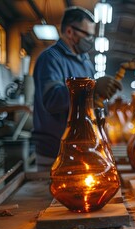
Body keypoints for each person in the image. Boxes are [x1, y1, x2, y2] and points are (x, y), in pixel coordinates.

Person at [33, 6, 121, 171]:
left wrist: (100, 102)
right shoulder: (51, 59)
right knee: (53, 194)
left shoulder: (85, 62)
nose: (90, 39)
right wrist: (92, 89)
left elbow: (88, 102)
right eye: (87, 34)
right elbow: (52, 100)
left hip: (80, 148)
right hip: (55, 150)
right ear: (69, 31)